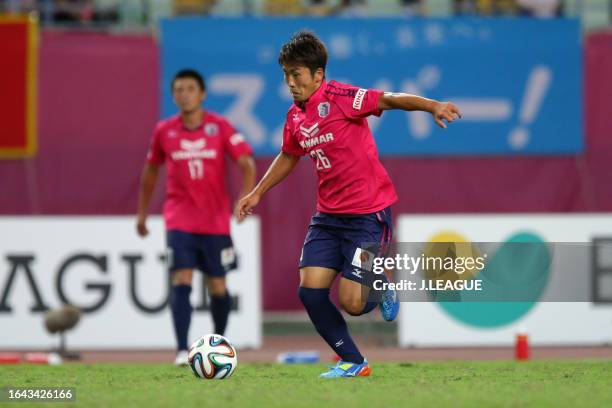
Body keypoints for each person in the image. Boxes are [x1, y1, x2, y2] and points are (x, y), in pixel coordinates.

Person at [237, 31, 461, 378]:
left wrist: (432, 105)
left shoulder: (342, 96)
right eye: (286, 75)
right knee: (310, 291)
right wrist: (257, 192)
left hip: (367, 215)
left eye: (296, 74)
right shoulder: (295, 116)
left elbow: (390, 99)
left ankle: (381, 283)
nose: (290, 83)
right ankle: (354, 362)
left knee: (353, 304)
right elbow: (289, 154)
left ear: (318, 75)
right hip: (327, 217)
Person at [137, 69, 256, 366]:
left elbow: (247, 163)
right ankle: (180, 350)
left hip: (215, 221)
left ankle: (218, 344)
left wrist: (246, 196)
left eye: (190, 89)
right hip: (179, 220)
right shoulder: (164, 131)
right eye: (178, 89)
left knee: (218, 285)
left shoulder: (221, 126)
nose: (184, 94)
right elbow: (150, 171)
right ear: (173, 95)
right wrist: (142, 213)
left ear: (202, 94)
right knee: (181, 278)